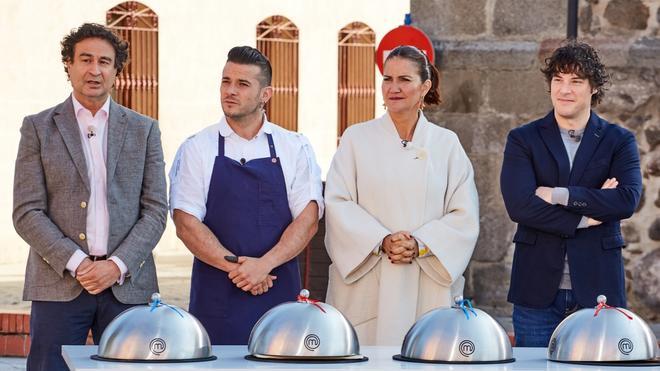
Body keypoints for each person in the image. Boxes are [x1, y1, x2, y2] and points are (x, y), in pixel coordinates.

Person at [12, 23, 167, 371]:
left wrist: (116, 266)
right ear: (68, 64)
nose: (94, 70)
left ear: (116, 71)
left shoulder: (144, 130)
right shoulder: (38, 127)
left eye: (104, 61)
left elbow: (156, 210)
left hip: (128, 287)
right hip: (58, 284)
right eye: (85, 59)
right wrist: (78, 263)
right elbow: (26, 211)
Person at [324, 45, 479, 345]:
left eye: (404, 80)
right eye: (387, 78)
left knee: (424, 351)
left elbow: (464, 214)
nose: (393, 88)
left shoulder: (446, 144)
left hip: (426, 279)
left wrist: (419, 244)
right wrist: (381, 240)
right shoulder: (356, 138)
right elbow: (338, 202)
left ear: (425, 86)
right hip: (368, 279)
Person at [169, 46, 323, 345]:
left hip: (278, 290)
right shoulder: (197, 147)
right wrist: (243, 271)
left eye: (242, 84)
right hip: (217, 292)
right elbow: (186, 223)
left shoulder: (294, 146)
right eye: (226, 81)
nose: (230, 91)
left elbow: (308, 220)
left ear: (266, 94)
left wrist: (264, 265)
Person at [500, 40, 642, 347]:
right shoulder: (523, 139)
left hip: (599, 288)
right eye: (558, 80)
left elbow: (626, 199)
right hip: (536, 288)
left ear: (593, 88)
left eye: (575, 81)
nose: (564, 90)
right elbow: (520, 206)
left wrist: (559, 195)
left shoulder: (619, 141)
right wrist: (584, 218)